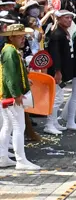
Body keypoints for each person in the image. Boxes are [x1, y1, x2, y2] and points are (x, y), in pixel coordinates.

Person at [0, 23, 38, 170]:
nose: (23, 39)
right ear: (11, 37)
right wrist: (16, 94)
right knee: (18, 126)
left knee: (8, 126)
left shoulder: (10, 50)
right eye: (20, 36)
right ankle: (21, 160)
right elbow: (9, 75)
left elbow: (12, 73)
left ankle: (3, 157)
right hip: (11, 96)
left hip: (7, 95)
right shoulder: (10, 52)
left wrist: (24, 80)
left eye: (23, 36)